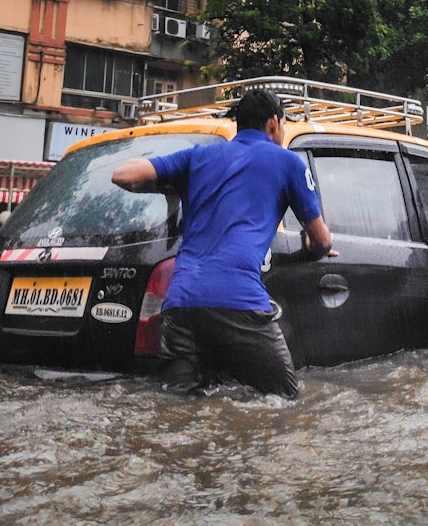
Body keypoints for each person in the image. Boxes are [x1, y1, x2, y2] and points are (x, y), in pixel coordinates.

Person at [111, 87, 333, 398]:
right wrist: (314, 247)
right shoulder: (288, 163)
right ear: (274, 123)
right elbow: (321, 240)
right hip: (238, 301)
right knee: (284, 401)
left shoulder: (198, 156)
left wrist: (171, 187)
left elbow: (122, 175)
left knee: (179, 406)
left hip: (181, 303)